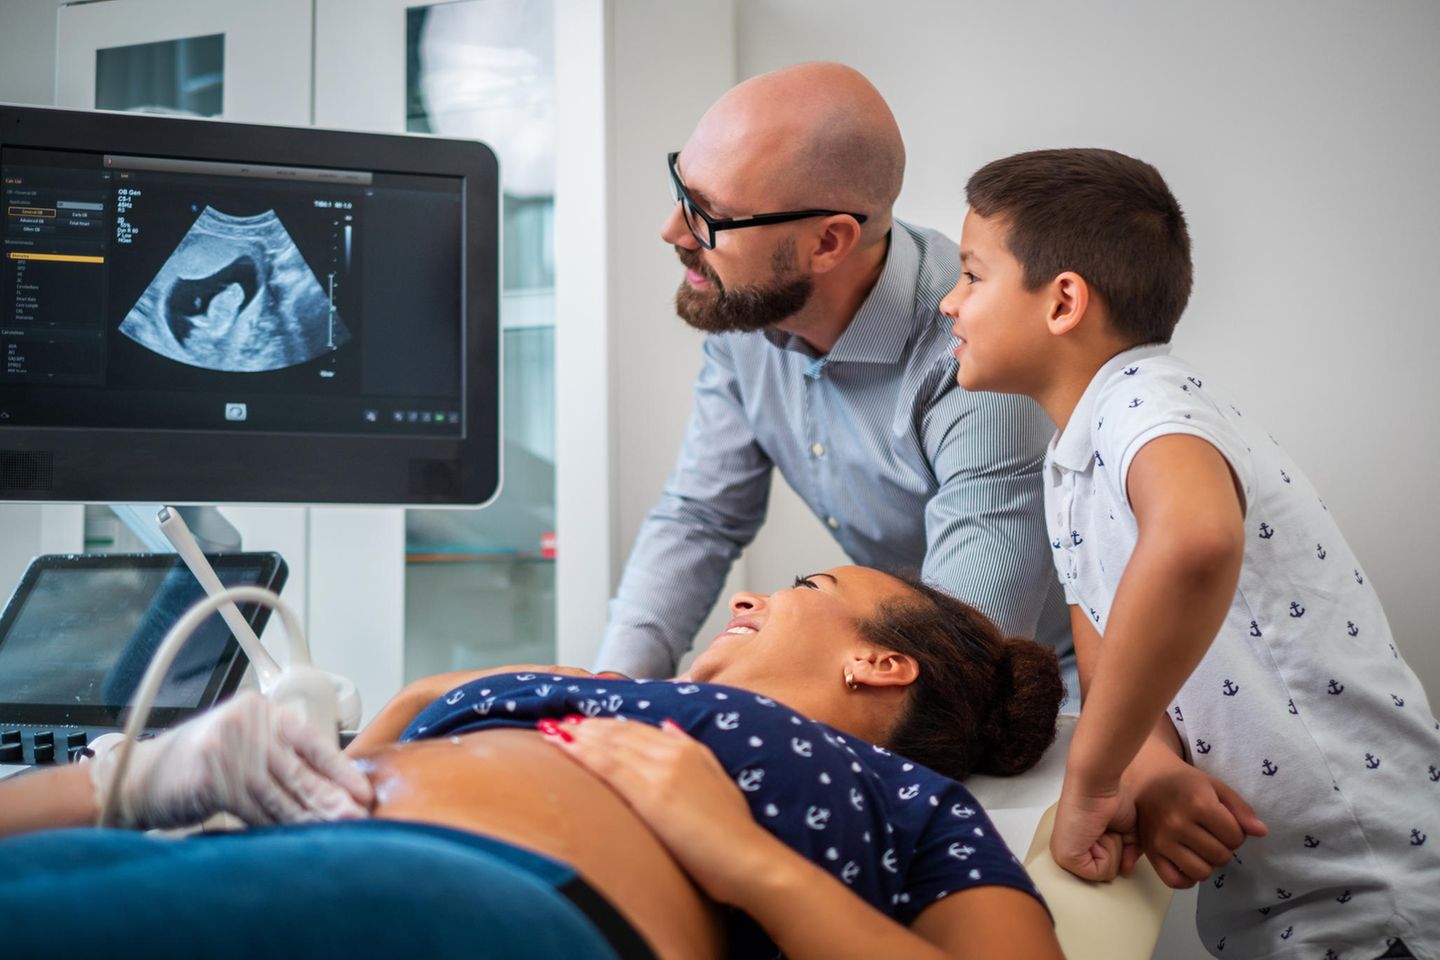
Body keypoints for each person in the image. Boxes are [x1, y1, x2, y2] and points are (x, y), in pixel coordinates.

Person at [0, 566, 1065, 960]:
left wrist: (742, 860)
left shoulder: (909, 800)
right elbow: (408, 717)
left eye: (802, 588)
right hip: (275, 856)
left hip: (494, 900)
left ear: (879, 665)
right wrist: (142, 781)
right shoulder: (590, 688)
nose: (748, 598)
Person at [939, 147, 1439, 959]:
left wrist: (1092, 781)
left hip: (1373, 893)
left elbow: (1197, 540)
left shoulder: (1147, 398)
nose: (947, 303)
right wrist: (1149, 771)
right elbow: (1108, 669)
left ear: (1063, 301)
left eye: (970, 275)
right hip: (1275, 906)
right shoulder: (1069, 462)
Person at [595, 62, 1073, 696]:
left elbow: (959, 650)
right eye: (682, 190)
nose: (673, 231)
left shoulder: (975, 355)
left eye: (707, 215)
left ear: (827, 243)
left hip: (1050, 697)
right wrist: (607, 686)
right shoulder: (749, 309)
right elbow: (701, 516)